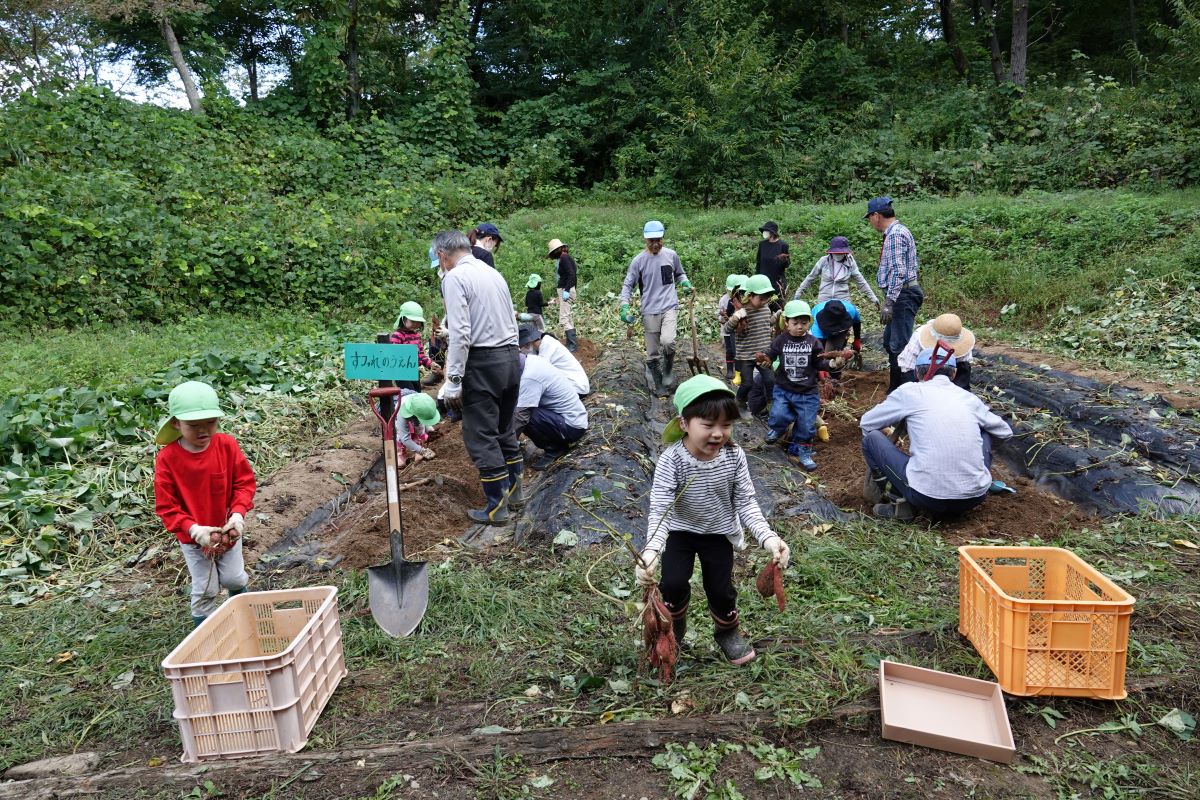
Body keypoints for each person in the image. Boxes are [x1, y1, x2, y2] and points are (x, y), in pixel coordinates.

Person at [634, 375, 790, 665]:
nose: (718, 434)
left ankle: (727, 633)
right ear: (684, 423)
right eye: (708, 425)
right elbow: (661, 510)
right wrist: (652, 551)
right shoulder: (672, 460)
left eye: (726, 425)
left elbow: (745, 502)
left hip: (718, 532)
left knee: (720, 588)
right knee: (674, 583)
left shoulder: (734, 457)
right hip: (680, 532)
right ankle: (673, 631)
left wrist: (769, 538)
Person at [859, 348, 1013, 521]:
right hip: (975, 497)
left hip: (926, 496)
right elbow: (1004, 432)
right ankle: (974, 477)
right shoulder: (967, 398)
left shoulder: (911, 392)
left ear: (917, 372)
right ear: (953, 374)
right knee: (986, 430)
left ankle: (900, 504)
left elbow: (867, 423)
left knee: (872, 439)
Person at [434, 230, 523, 525]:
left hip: (483, 363)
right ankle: (515, 494)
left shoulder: (454, 278)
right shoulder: (491, 272)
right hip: (511, 358)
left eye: (438, 259)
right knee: (503, 428)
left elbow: (461, 334)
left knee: (481, 434)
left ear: (443, 256)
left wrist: (454, 381)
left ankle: (497, 509)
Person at [153, 381, 254, 627]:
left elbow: (244, 483)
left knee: (234, 579)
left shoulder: (227, 446)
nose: (203, 431)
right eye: (193, 425)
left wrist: (238, 514)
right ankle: (206, 637)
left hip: (226, 532)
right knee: (206, 589)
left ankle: (244, 617)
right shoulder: (167, 460)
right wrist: (193, 529)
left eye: (210, 422)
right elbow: (166, 507)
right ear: (176, 423)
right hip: (192, 538)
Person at [619, 220, 694, 395]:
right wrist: (624, 306)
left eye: (658, 240)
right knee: (652, 352)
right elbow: (627, 285)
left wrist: (685, 283)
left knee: (668, 342)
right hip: (649, 310)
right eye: (651, 241)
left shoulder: (671, 255)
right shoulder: (639, 261)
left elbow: (680, 273)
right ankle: (659, 384)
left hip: (669, 306)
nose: (655, 244)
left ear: (663, 238)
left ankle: (667, 371)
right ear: (646, 241)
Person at [757, 300, 832, 471]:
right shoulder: (781, 340)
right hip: (784, 389)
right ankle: (777, 429)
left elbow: (821, 363)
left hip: (807, 392)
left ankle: (804, 452)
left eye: (804, 323)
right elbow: (770, 354)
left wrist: (833, 364)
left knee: (807, 424)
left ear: (809, 323)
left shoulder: (814, 342)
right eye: (795, 323)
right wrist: (765, 360)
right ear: (787, 323)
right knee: (778, 414)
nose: (800, 327)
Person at [865, 196, 924, 393]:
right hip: (901, 294)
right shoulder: (895, 233)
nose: (870, 222)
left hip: (902, 295)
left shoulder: (895, 235)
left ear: (876, 215)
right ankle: (895, 388)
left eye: (869, 217)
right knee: (891, 343)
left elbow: (899, 271)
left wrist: (889, 301)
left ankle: (908, 392)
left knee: (900, 346)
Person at [513, 352, 589, 470]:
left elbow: (520, 417)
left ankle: (554, 448)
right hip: (569, 418)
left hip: (571, 426)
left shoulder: (530, 377)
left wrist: (505, 445)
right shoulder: (532, 361)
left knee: (524, 415)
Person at [723, 274, 776, 414]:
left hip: (763, 353)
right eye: (761, 298)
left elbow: (766, 324)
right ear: (750, 296)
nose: (765, 301)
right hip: (746, 354)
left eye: (767, 298)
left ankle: (772, 406)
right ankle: (739, 404)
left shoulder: (766, 309)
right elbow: (727, 329)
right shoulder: (743, 312)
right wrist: (735, 318)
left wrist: (776, 318)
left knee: (770, 379)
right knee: (747, 383)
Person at [793, 236, 880, 307]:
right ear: (831, 251)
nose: (838, 255)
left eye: (840, 253)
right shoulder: (824, 261)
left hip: (843, 299)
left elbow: (861, 281)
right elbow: (810, 277)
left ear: (845, 252)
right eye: (836, 252)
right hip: (824, 298)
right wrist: (798, 292)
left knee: (846, 323)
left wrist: (873, 298)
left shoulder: (850, 263)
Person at [898, 313, 975, 390]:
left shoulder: (964, 343)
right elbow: (907, 367)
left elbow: (964, 366)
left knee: (964, 367)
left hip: (948, 372)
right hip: (923, 371)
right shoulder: (918, 337)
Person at [519, 325, 590, 396]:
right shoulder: (539, 348)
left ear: (528, 343)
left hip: (577, 387)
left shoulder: (547, 343)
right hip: (573, 385)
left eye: (525, 345)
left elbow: (539, 371)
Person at [389, 301, 439, 391]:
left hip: (414, 372)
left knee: (417, 392)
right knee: (408, 394)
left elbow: (421, 355)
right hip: (402, 373)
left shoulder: (416, 336)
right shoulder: (397, 335)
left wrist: (430, 363)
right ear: (403, 319)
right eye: (413, 321)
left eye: (418, 322)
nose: (416, 324)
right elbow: (393, 355)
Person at [810, 299, 863, 381]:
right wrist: (821, 367)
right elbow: (819, 347)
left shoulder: (851, 310)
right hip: (823, 329)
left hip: (841, 329)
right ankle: (820, 379)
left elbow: (856, 322)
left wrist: (857, 339)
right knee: (822, 355)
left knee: (835, 351)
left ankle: (835, 378)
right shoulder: (816, 323)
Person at [547, 238, 579, 352]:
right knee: (568, 316)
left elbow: (571, 275)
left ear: (557, 250)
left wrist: (566, 290)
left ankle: (572, 345)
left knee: (563, 318)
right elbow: (571, 274)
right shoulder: (565, 257)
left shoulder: (564, 258)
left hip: (567, 290)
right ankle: (572, 343)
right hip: (568, 289)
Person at [395, 390, 440, 467]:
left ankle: (418, 447)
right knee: (400, 435)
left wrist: (426, 426)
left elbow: (422, 418)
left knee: (419, 428)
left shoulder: (425, 401)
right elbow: (405, 438)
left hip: (414, 400)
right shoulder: (400, 412)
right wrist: (422, 451)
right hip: (396, 404)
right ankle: (400, 454)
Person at [717, 274, 748, 381]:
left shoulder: (743, 300)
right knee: (730, 350)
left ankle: (739, 371)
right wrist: (723, 317)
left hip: (737, 331)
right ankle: (730, 370)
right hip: (727, 330)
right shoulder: (725, 300)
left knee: (738, 351)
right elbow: (719, 316)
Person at [755, 221, 790, 298]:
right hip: (762, 282)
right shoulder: (762, 244)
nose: (764, 232)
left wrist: (784, 260)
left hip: (776, 282)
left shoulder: (783, 245)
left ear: (772, 232)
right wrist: (756, 278)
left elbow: (787, 265)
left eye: (766, 231)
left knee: (777, 305)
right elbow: (758, 262)